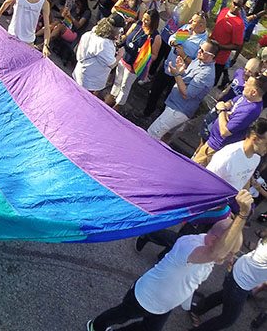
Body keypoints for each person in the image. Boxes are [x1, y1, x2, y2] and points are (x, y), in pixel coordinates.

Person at [87, 190, 252, 331]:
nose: (232, 257)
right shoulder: (190, 246)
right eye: (231, 252)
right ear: (215, 240)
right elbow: (217, 253)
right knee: (119, 315)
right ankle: (95, 326)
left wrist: (185, 301)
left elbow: (192, 280)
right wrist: (242, 214)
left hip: (162, 305)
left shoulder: (208, 254)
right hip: (144, 298)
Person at [191, 233, 267, 329]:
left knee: (224, 295)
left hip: (238, 270)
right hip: (241, 284)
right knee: (228, 320)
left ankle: (197, 310)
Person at [146, 41, 216, 141]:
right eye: (199, 48)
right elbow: (187, 78)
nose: (198, 51)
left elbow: (187, 94)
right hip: (174, 104)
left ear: (211, 56)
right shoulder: (199, 60)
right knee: (164, 138)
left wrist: (176, 74)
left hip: (178, 110)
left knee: (152, 134)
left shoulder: (206, 75)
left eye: (202, 51)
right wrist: (180, 71)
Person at [143, 12, 209, 117]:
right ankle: (147, 112)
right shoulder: (187, 28)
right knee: (154, 91)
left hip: (180, 76)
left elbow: (197, 66)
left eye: (193, 21)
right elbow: (172, 38)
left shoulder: (203, 43)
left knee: (169, 98)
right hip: (167, 67)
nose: (189, 21)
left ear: (201, 25)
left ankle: (160, 118)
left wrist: (183, 55)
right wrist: (174, 42)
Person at [192, 74, 266, 166]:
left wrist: (222, 110)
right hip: (212, 139)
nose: (244, 84)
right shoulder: (246, 97)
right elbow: (230, 102)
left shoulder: (250, 111)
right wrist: (225, 109)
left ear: (253, 92)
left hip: (215, 147)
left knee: (194, 168)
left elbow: (225, 131)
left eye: (247, 84)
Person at [105, 9, 162, 110]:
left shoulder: (156, 37)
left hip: (134, 67)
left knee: (124, 86)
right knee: (117, 80)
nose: (144, 22)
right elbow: (126, 36)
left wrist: (144, 54)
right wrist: (120, 39)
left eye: (147, 20)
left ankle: (117, 106)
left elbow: (154, 55)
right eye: (143, 18)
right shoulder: (137, 25)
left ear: (153, 22)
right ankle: (111, 97)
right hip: (123, 59)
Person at [73, 14, 123, 95]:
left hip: (79, 72)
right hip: (89, 81)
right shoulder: (104, 44)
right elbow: (111, 64)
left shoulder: (91, 33)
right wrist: (120, 55)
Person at [210, 0, 245, 87]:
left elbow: (237, 45)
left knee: (211, 82)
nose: (236, 7)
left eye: (239, 6)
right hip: (209, 50)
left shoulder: (239, 24)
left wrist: (220, 46)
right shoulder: (224, 11)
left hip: (219, 59)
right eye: (235, 4)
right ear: (231, 2)